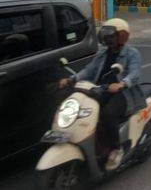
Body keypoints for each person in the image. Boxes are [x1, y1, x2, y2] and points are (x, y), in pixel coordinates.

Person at [59, 18, 143, 171]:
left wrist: (122, 83)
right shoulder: (103, 52)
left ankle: (117, 149)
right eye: (106, 36)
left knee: (107, 114)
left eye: (111, 36)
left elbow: (135, 73)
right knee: (82, 111)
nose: (107, 39)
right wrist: (72, 79)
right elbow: (89, 69)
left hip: (123, 93)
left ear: (121, 36)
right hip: (100, 89)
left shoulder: (132, 53)